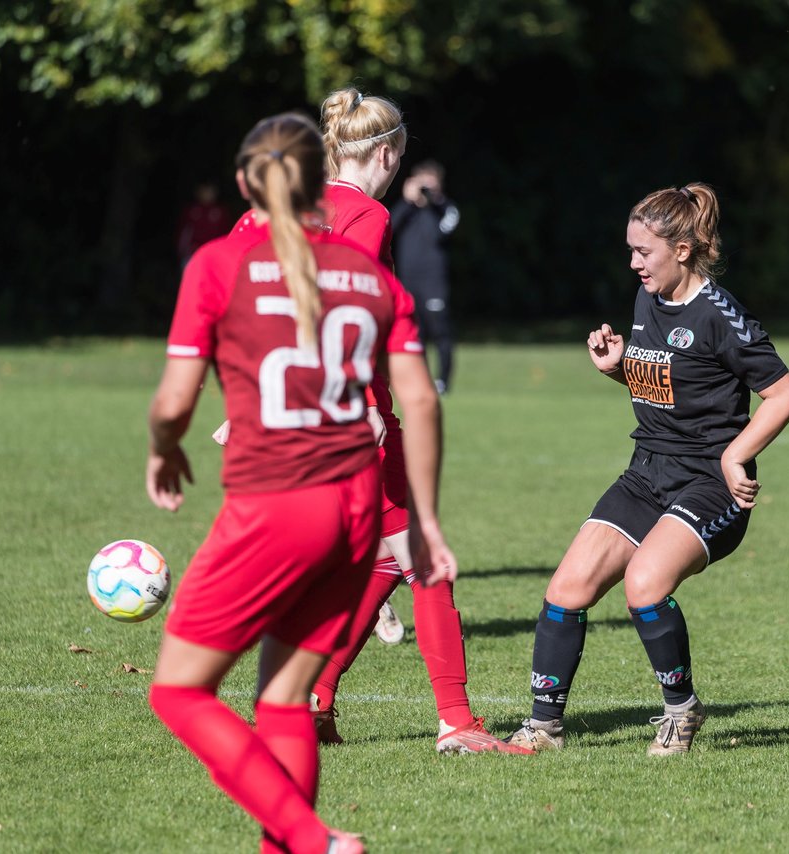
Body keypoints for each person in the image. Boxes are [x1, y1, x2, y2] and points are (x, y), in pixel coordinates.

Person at [145, 111, 455, 854]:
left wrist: (165, 446)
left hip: (275, 501)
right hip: (354, 507)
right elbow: (417, 398)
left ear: (247, 183)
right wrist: (428, 520)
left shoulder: (218, 264)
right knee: (285, 699)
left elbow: (174, 402)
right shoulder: (371, 275)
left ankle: (310, 839)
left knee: (179, 690)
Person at [505, 183, 789, 756]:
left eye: (645, 251)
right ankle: (543, 727)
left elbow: (785, 394)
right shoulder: (648, 299)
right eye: (631, 250)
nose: (634, 263)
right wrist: (618, 368)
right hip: (647, 471)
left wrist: (735, 454)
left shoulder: (721, 315)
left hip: (711, 485)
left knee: (644, 585)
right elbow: (667, 385)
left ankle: (681, 710)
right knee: (565, 589)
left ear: (685, 249)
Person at [312, 86, 530, 755]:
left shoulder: (280, 209)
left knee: (391, 555)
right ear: (388, 152)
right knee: (426, 561)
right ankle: (457, 722)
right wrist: (371, 405)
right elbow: (351, 317)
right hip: (357, 417)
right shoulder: (368, 217)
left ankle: (313, 700)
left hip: (291, 415)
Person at [390, 160, 459, 394]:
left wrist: (429, 204)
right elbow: (390, 227)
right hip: (408, 280)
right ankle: (418, 379)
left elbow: (438, 235)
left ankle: (443, 382)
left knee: (440, 332)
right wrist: (409, 201)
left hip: (434, 281)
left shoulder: (447, 209)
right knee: (411, 333)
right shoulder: (408, 209)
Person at [176, 181, 231, 268]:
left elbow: (225, 234)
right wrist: (183, 252)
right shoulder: (191, 211)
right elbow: (184, 234)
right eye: (204, 190)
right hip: (193, 253)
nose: (207, 193)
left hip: (214, 254)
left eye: (210, 190)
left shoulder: (220, 212)